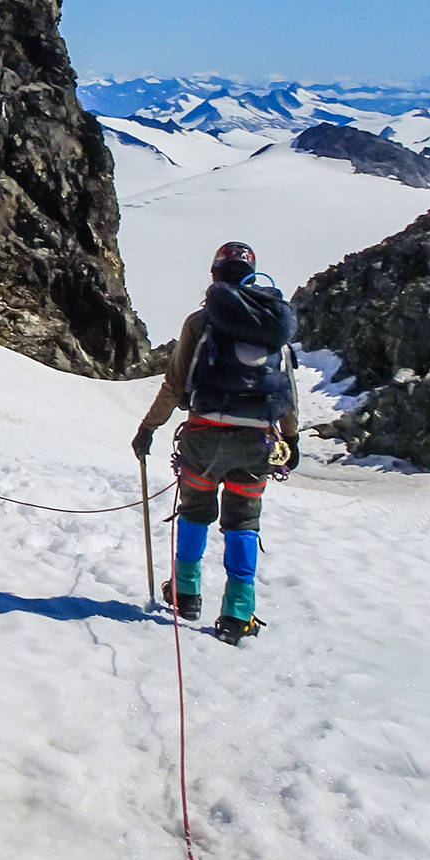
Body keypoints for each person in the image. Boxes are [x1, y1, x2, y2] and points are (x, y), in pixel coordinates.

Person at [132, 241, 300, 644]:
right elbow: (286, 389)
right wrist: (290, 440)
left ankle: (186, 595)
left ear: (215, 275)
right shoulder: (272, 324)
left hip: (204, 435)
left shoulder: (200, 321)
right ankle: (237, 614)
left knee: (195, 511)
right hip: (256, 440)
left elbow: (175, 384)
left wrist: (148, 427)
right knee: (243, 521)